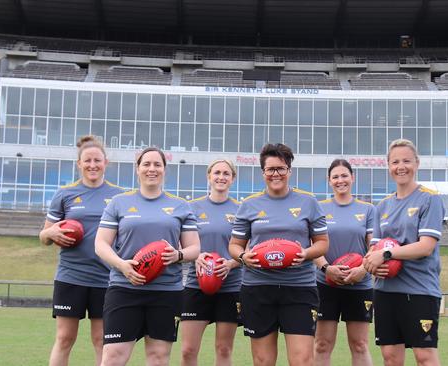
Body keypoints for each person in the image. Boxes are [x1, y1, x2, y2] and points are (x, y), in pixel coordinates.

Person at [94, 146, 201, 366]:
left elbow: (194, 249)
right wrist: (122, 265)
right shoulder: (119, 203)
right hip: (124, 288)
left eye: (157, 164)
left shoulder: (180, 206)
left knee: (158, 357)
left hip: (166, 291)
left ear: (164, 169)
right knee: (113, 356)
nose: (152, 169)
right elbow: (101, 244)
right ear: (137, 169)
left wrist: (178, 255)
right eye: (146, 164)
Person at [229, 143, 329, 366]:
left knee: (302, 360)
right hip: (258, 288)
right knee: (263, 361)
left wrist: (306, 253)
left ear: (289, 171)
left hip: (299, 288)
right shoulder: (248, 205)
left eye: (281, 168)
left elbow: (322, 244)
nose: (276, 174)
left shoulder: (309, 202)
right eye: (271, 169)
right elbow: (235, 246)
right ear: (263, 172)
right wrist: (244, 257)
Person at [39, 135, 126, 366]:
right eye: (87, 161)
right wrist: (51, 234)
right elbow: (44, 236)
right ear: (79, 164)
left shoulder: (120, 196)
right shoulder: (64, 194)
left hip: (107, 279)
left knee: (102, 340)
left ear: (106, 163)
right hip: (71, 277)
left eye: (97, 160)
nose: (92, 165)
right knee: (65, 338)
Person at [363, 139, 445, 366]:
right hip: (385, 291)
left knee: (424, 356)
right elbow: (374, 248)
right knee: (390, 357)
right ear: (388, 166)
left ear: (417, 163)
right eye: (395, 161)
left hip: (419, 290)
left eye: (407, 161)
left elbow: (425, 246)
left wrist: (387, 255)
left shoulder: (430, 199)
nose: (401, 166)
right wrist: (370, 261)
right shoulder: (383, 206)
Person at [313, 159, 375, 366]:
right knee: (322, 344)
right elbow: (312, 245)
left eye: (344, 175)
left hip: (359, 284)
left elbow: (374, 247)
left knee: (359, 344)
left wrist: (362, 270)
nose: (341, 180)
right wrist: (326, 268)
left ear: (352, 178)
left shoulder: (367, 210)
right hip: (324, 283)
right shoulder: (318, 208)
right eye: (336, 177)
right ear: (329, 181)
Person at [181, 159, 242, 366]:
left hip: (230, 286)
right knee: (188, 351)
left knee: (223, 349)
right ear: (209, 176)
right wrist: (195, 255)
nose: (221, 177)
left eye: (226, 173)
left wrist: (231, 264)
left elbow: (248, 248)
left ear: (232, 179)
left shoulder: (241, 209)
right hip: (195, 285)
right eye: (217, 172)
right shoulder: (191, 208)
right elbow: (182, 242)